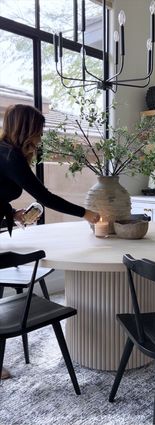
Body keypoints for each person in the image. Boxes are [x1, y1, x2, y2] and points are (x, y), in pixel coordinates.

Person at [0, 104, 100, 379]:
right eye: (39, 130)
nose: (41, 136)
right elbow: (45, 197)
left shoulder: (5, 151)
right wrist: (86, 213)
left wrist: (11, 212)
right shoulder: (11, 157)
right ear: (27, 128)